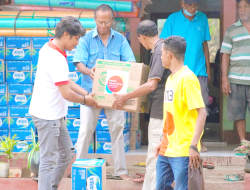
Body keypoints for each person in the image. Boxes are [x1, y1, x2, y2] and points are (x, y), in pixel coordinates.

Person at [29, 16, 99, 190]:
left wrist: (87, 93)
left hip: (55, 114)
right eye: (76, 39)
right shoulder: (55, 56)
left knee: (67, 153)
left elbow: (64, 80)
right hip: (47, 116)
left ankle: (51, 186)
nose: (77, 43)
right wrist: (86, 100)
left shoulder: (52, 47)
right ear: (66, 35)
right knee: (48, 160)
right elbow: (66, 93)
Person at [73, 4, 136, 181]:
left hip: (115, 94)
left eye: (107, 22)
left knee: (117, 130)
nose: (103, 25)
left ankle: (121, 170)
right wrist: (89, 71)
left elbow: (130, 61)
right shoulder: (85, 39)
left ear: (112, 20)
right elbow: (78, 63)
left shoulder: (121, 40)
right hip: (90, 93)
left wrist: (125, 70)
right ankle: (79, 167)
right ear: (95, 20)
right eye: (100, 22)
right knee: (85, 130)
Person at [112, 20, 171, 189]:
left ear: (142, 37)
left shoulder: (159, 52)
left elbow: (152, 85)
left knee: (154, 153)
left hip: (161, 110)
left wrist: (125, 96)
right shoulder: (162, 47)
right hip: (164, 108)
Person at [154, 36, 206, 190]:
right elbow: (171, 115)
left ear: (169, 54)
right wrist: (162, 140)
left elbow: (201, 112)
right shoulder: (170, 78)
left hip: (183, 150)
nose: (161, 57)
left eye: (162, 53)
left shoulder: (187, 78)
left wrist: (194, 146)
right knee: (161, 187)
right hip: (166, 148)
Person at [160, 0, 211, 152]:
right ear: (182, 4)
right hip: (178, 71)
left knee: (201, 106)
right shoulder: (172, 19)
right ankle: (178, 140)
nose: (193, 8)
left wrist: (208, 67)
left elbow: (205, 44)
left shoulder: (202, 18)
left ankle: (198, 141)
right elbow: (164, 44)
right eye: (189, 5)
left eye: (195, 5)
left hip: (199, 70)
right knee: (179, 107)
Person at [221, 0, 250, 149]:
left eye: (246, 6)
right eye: (240, 7)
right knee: (238, 112)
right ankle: (244, 142)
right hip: (236, 78)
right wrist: (225, 78)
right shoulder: (231, 30)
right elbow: (225, 55)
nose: (242, 10)